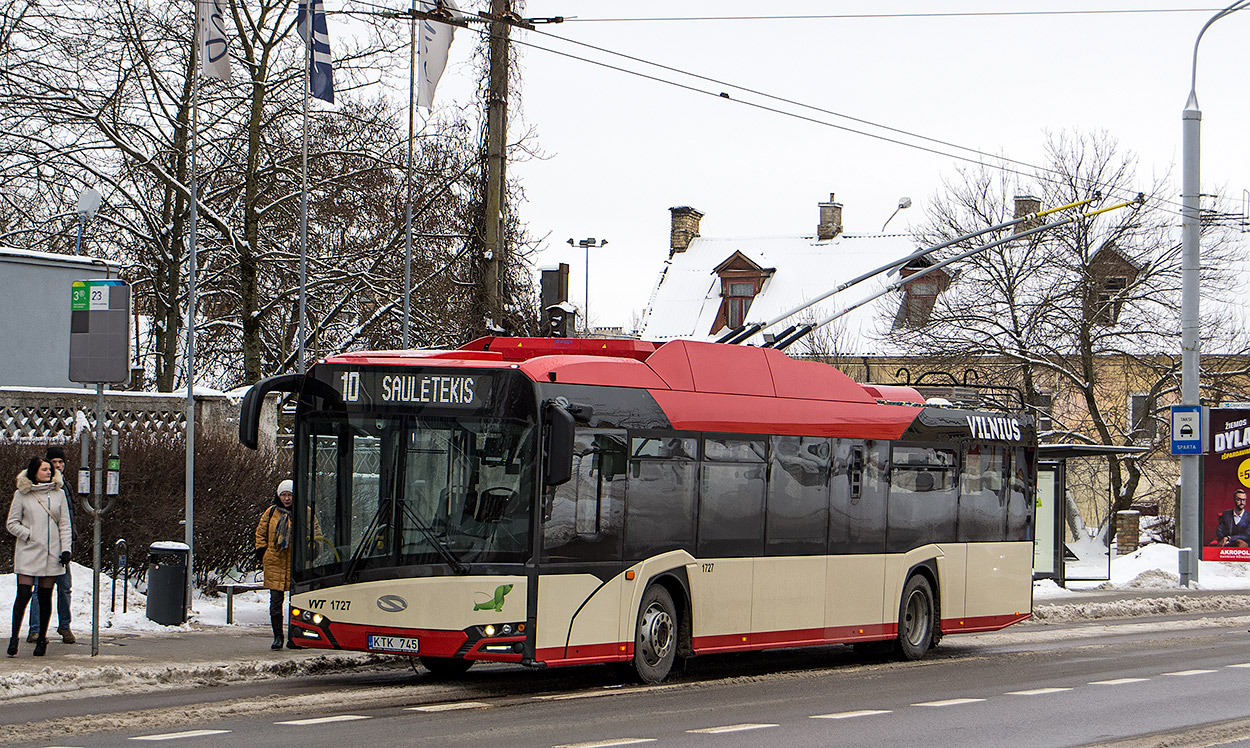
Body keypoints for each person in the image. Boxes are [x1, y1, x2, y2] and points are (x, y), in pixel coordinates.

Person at [6, 457, 73, 657]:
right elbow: (11, 523)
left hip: (52, 553)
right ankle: (14, 638)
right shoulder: (22, 494)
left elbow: (64, 524)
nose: (49, 472)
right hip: (29, 551)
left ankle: (42, 639)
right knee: (23, 595)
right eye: (44, 469)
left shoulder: (59, 494)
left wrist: (65, 549)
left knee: (45, 597)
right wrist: (29, 534)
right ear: (34, 472)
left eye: (50, 470)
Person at [27, 446, 76, 645]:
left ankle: (65, 626)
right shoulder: (36, 490)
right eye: (53, 463)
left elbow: (68, 519)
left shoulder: (65, 488)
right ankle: (36, 629)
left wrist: (69, 545)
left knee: (64, 588)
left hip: (60, 546)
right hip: (42, 547)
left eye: (60, 463)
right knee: (39, 589)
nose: (56, 467)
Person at [255, 479, 297, 650]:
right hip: (275, 562)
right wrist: (262, 551)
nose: (286, 499)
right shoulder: (271, 512)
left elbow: (313, 533)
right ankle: (278, 637)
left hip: (295, 563)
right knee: (275, 604)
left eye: (290, 495)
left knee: (297, 605)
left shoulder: (304, 512)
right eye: (284, 495)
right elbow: (260, 532)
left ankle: (296, 637)